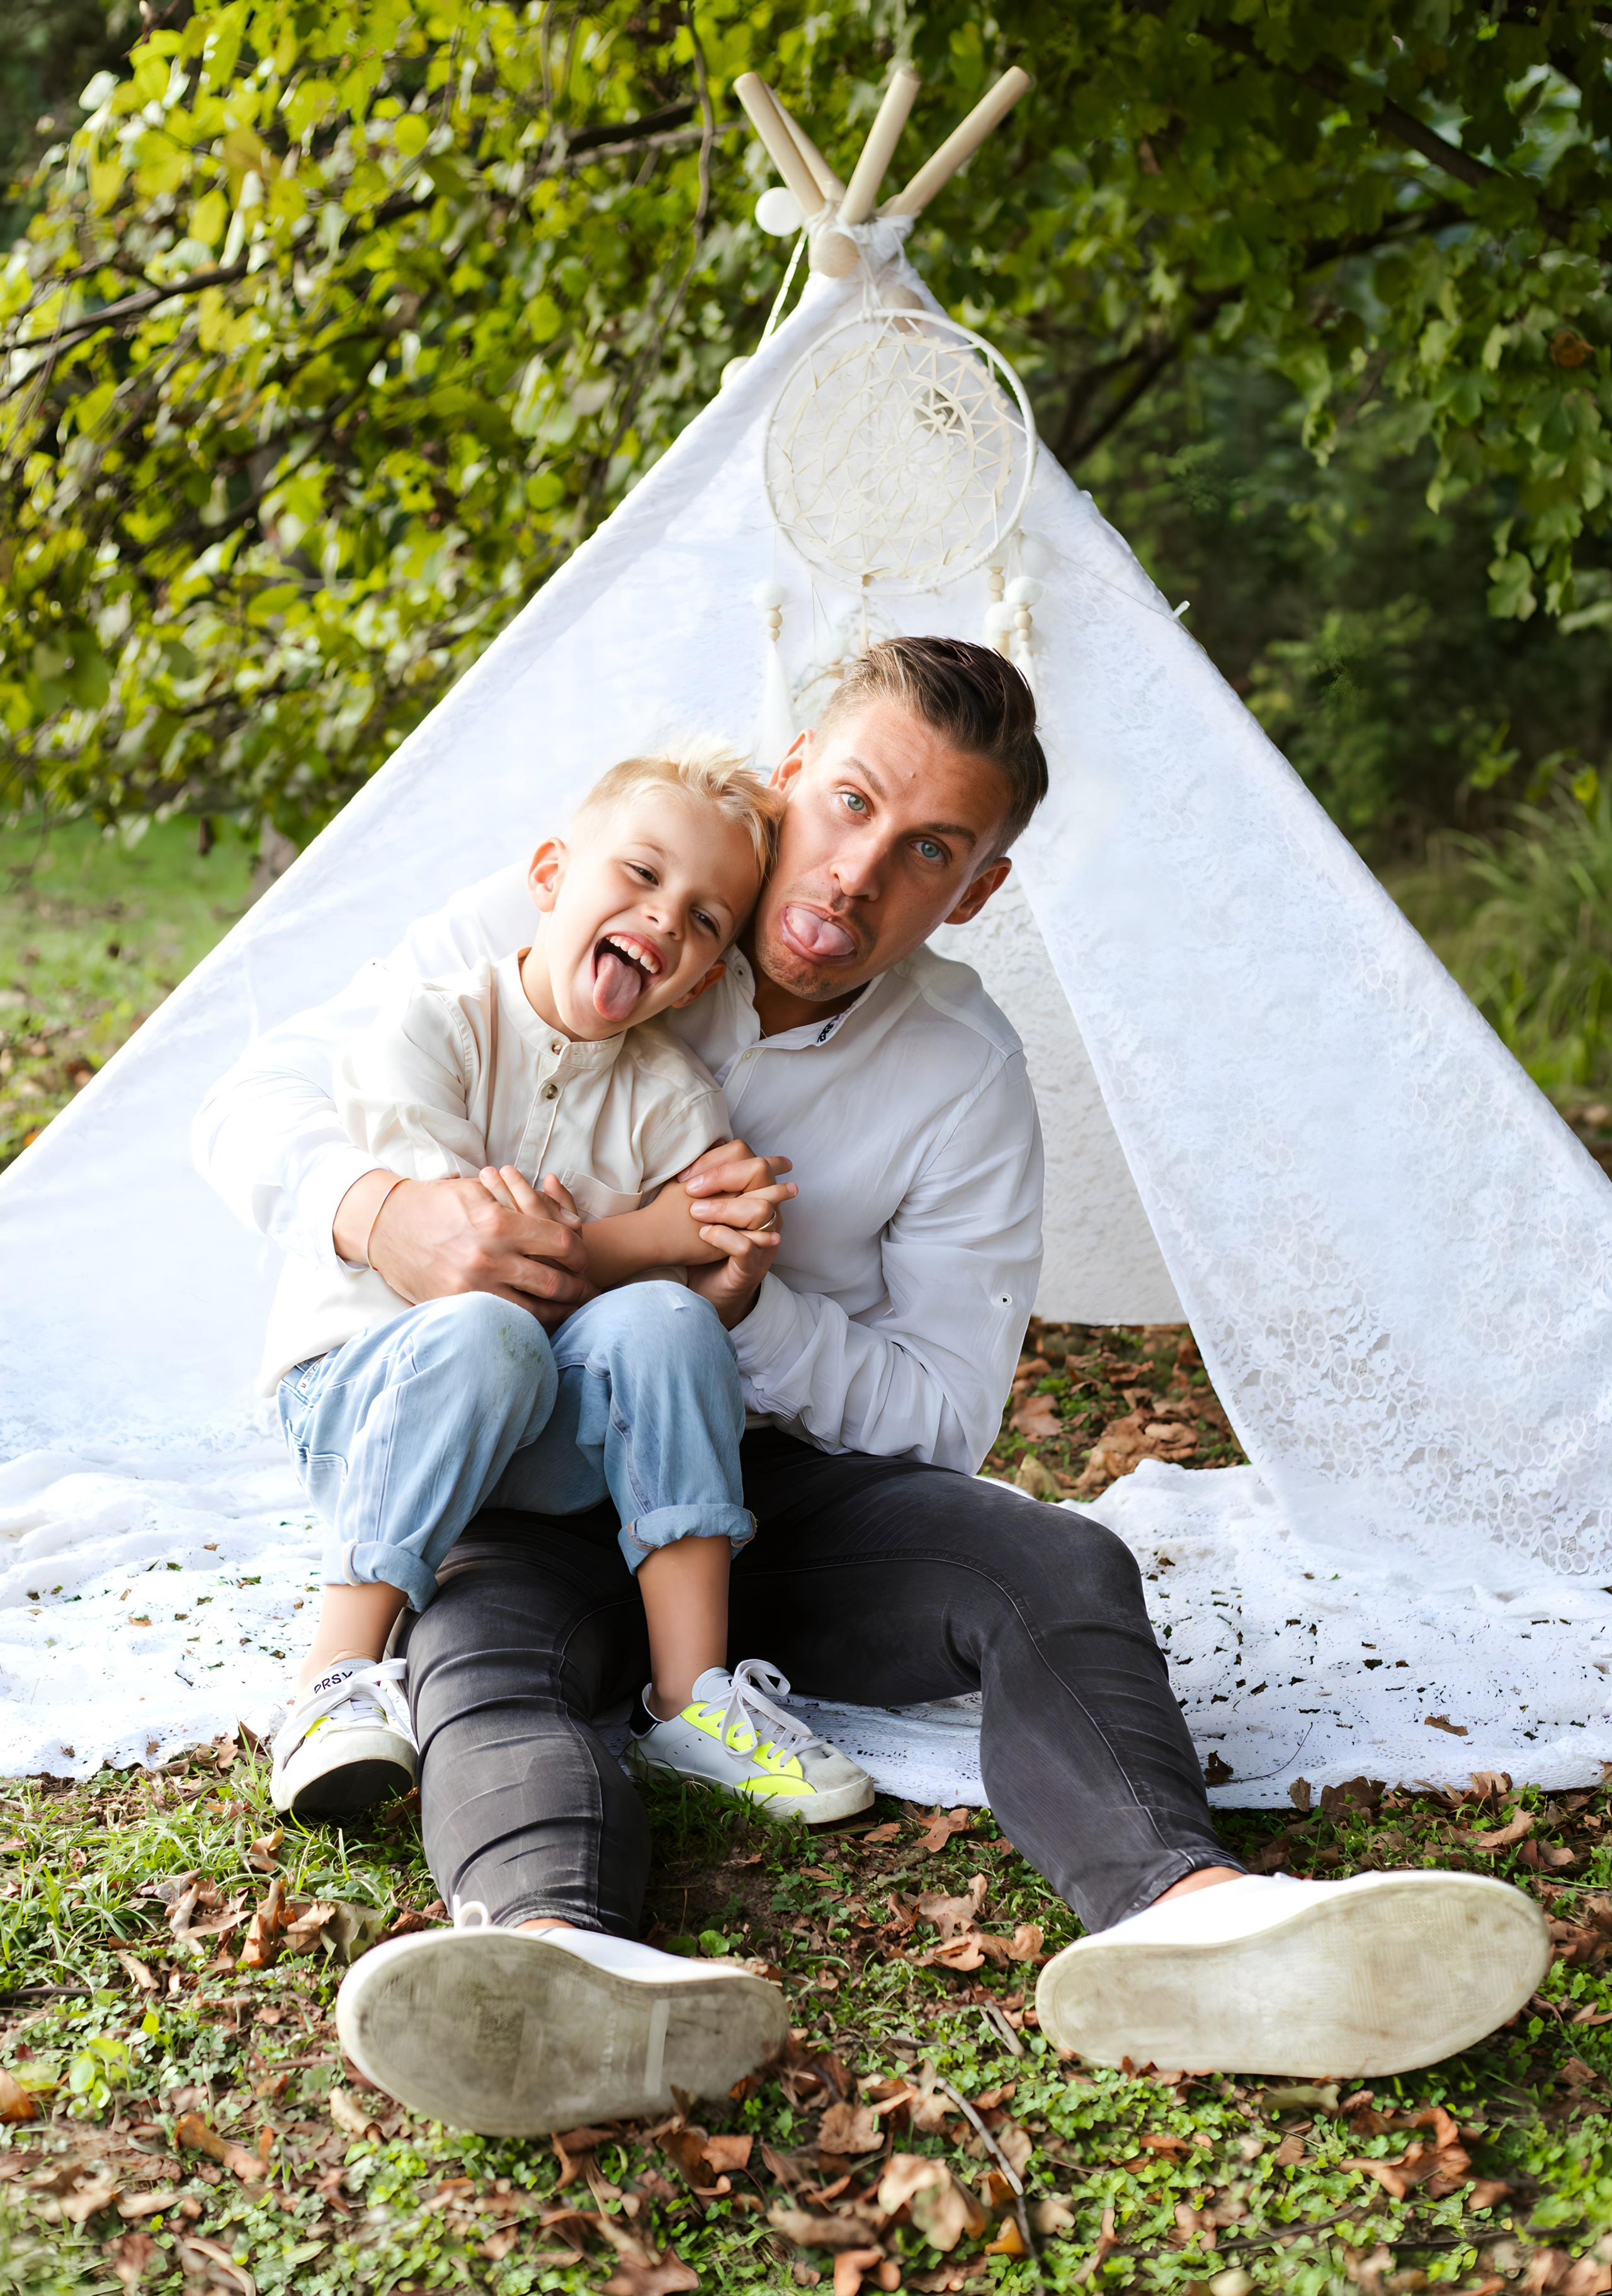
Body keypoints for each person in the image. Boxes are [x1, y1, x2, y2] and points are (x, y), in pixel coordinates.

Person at [196, 638, 1550, 2133]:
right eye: (845, 802)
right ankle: (547, 1957)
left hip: (765, 1497)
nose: (852, 874)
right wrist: (383, 1211)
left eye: (924, 852)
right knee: (484, 1644)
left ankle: (1190, 1913)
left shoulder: (961, 1072)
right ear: (790, 778)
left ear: (973, 891)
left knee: (1054, 1560)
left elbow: (940, 1414)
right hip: (528, 1459)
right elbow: (255, 1100)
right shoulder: (609, 891)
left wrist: (745, 1311)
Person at [258, 745, 871, 1831]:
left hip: (540, 1445)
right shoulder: (433, 1027)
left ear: (707, 973)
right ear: (550, 874)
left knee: (669, 1319)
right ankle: (330, 1681)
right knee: (489, 1327)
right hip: (365, 1402)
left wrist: (720, 1251)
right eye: (639, 874)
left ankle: (693, 1702)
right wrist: (656, 1228)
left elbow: (680, 1285)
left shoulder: (669, 1093)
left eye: (705, 920)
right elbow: (479, 1264)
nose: (665, 919)